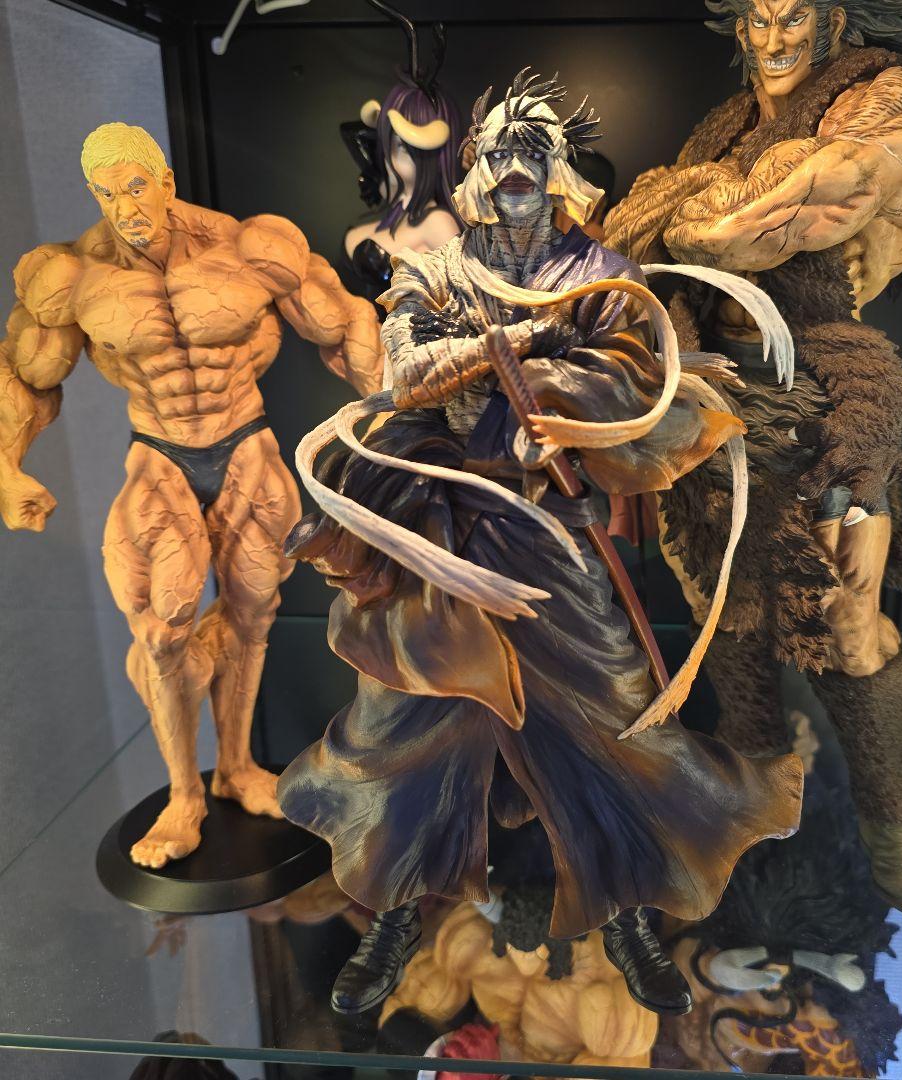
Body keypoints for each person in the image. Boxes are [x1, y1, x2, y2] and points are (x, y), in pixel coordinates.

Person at [279, 69, 803, 1019]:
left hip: (551, 523)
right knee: (405, 709)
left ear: (560, 169)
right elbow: (404, 369)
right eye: (502, 154)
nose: (517, 171)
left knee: (616, 707)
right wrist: (499, 355)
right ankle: (394, 910)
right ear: (477, 168)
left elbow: (632, 373)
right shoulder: (439, 267)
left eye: (534, 153)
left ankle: (632, 907)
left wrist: (560, 403)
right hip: (440, 520)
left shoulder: (598, 273)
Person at [605, 0, 902, 922]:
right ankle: (751, 788)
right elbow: (629, 245)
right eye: (757, 20)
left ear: (833, 18)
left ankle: (895, 818)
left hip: (831, 398)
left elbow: (763, 219)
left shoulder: (892, 99)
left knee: (851, 618)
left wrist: (688, 206)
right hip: (713, 398)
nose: (774, 39)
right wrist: (685, 202)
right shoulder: (720, 131)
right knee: (724, 609)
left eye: (793, 18)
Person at [0, 123, 382, 868]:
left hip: (245, 443)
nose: (125, 207)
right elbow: (26, 371)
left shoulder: (249, 248)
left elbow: (344, 324)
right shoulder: (73, 277)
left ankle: (235, 768)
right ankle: (184, 796)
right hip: (160, 456)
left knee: (254, 610)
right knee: (163, 627)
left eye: (135, 187)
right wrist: (9, 465)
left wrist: (397, 425)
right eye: (107, 194)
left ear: (166, 181)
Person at [337, 1, 462, 307]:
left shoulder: (439, 224)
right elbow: (351, 132)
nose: (391, 154)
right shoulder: (390, 207)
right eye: (389, 142)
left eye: (404, 146)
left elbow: (458, 310)